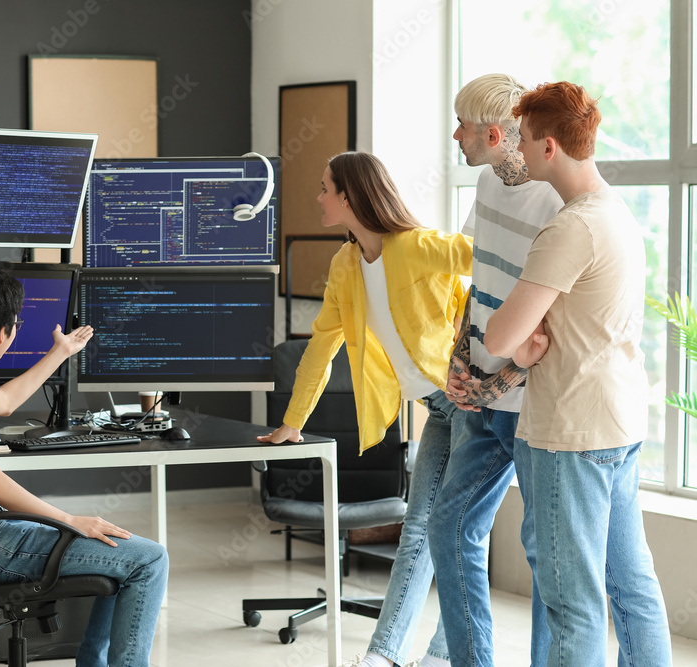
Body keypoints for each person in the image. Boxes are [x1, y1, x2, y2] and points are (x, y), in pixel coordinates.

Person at [257, 151, 472, 667]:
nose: (318, 197)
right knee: (422, 527)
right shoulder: (346, 265)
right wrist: (292, 423)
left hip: (471, 403)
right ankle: (386, 656)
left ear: (350, 195)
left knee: (459, 531)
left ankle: (444, 655)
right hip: (434, 407)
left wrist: (494, 348)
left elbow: (484, 260)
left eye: (325, 187)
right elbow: (320, 347)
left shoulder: (418, 246)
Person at [484, 81, 673, 666]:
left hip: (570, 433)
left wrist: (520, 354)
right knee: (628, 582)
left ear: (548, 148)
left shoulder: (569, 228)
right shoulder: (616, 212)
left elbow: (499, 338)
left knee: (572, 601)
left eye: (523, 137)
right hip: (617, 422)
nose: (516, 147)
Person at [0, 264, 169, 667]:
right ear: (4, 334)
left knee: (125, 550)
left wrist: (60, 352)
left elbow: (6, 401)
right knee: (150, 559)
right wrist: (71, 519)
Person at [426, 73, 563, 667]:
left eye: (463, 126)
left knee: (545, 556)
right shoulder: (485, 182)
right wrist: (462, 358)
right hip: (479, 397)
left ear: (495, 132)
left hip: (530, 403)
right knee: (449, 529)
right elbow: (479, 285)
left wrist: (498, 381)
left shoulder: (556, 202)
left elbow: (553, 325)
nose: (455, 135)